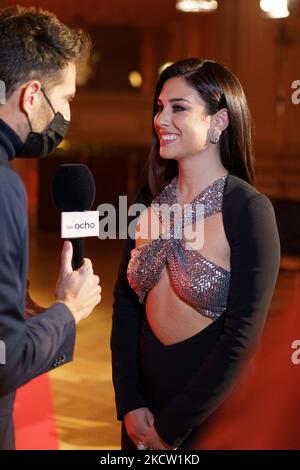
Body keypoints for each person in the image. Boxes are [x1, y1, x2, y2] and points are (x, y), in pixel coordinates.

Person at [111, 58, 281, 450]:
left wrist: (172, 429)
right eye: (159, 107)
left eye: (178, 108)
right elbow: (125, 307)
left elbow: (243, 337)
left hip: (210, 415)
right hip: (142, 412)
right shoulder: (147, 201)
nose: (161, 119)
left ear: (218, 122)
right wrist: (129, 402)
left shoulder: (248, 210)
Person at [0, 6, 101, 450]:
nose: (65, 116)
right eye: (66, 100)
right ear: (31, 95)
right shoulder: (5, 186)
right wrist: (67, 311)